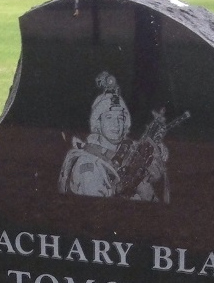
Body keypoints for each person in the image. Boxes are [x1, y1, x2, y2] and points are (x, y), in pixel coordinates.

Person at [58, 71, 169, 202]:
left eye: (121, 118)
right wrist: (145, 196)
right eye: (109, 117)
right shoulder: (88, 166)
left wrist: (158, 153)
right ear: (98, 123)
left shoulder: (124, 150)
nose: (116, 123)